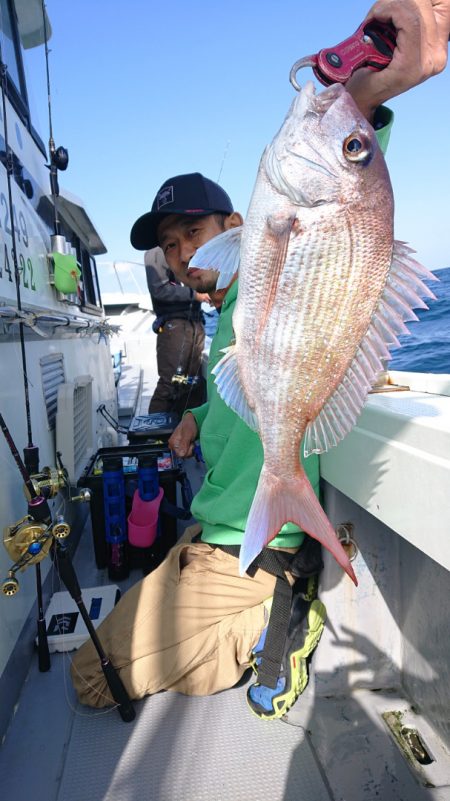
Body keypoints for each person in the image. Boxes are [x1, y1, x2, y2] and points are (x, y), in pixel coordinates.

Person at [71, 0, 449, 719]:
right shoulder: (225, 322)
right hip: (209, 530)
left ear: (240, 227)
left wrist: (367, 95)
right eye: (171, 246)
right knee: (113, 635)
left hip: (251, 546)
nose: (183, 256)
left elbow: (351, 197)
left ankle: (283, 604)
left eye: (194, 234)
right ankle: (249, 580)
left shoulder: (259, 270)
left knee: (90, 678)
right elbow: (237, 385)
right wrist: (194, 421)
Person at [144, 246, 208, 416]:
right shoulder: (157, 252)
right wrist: (194, 294)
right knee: (170, 383)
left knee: (192, 383)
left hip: (195, 324)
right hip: (175, 327)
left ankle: (182, 431)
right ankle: (154, 437)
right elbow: (159, 289)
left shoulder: (189, 251)